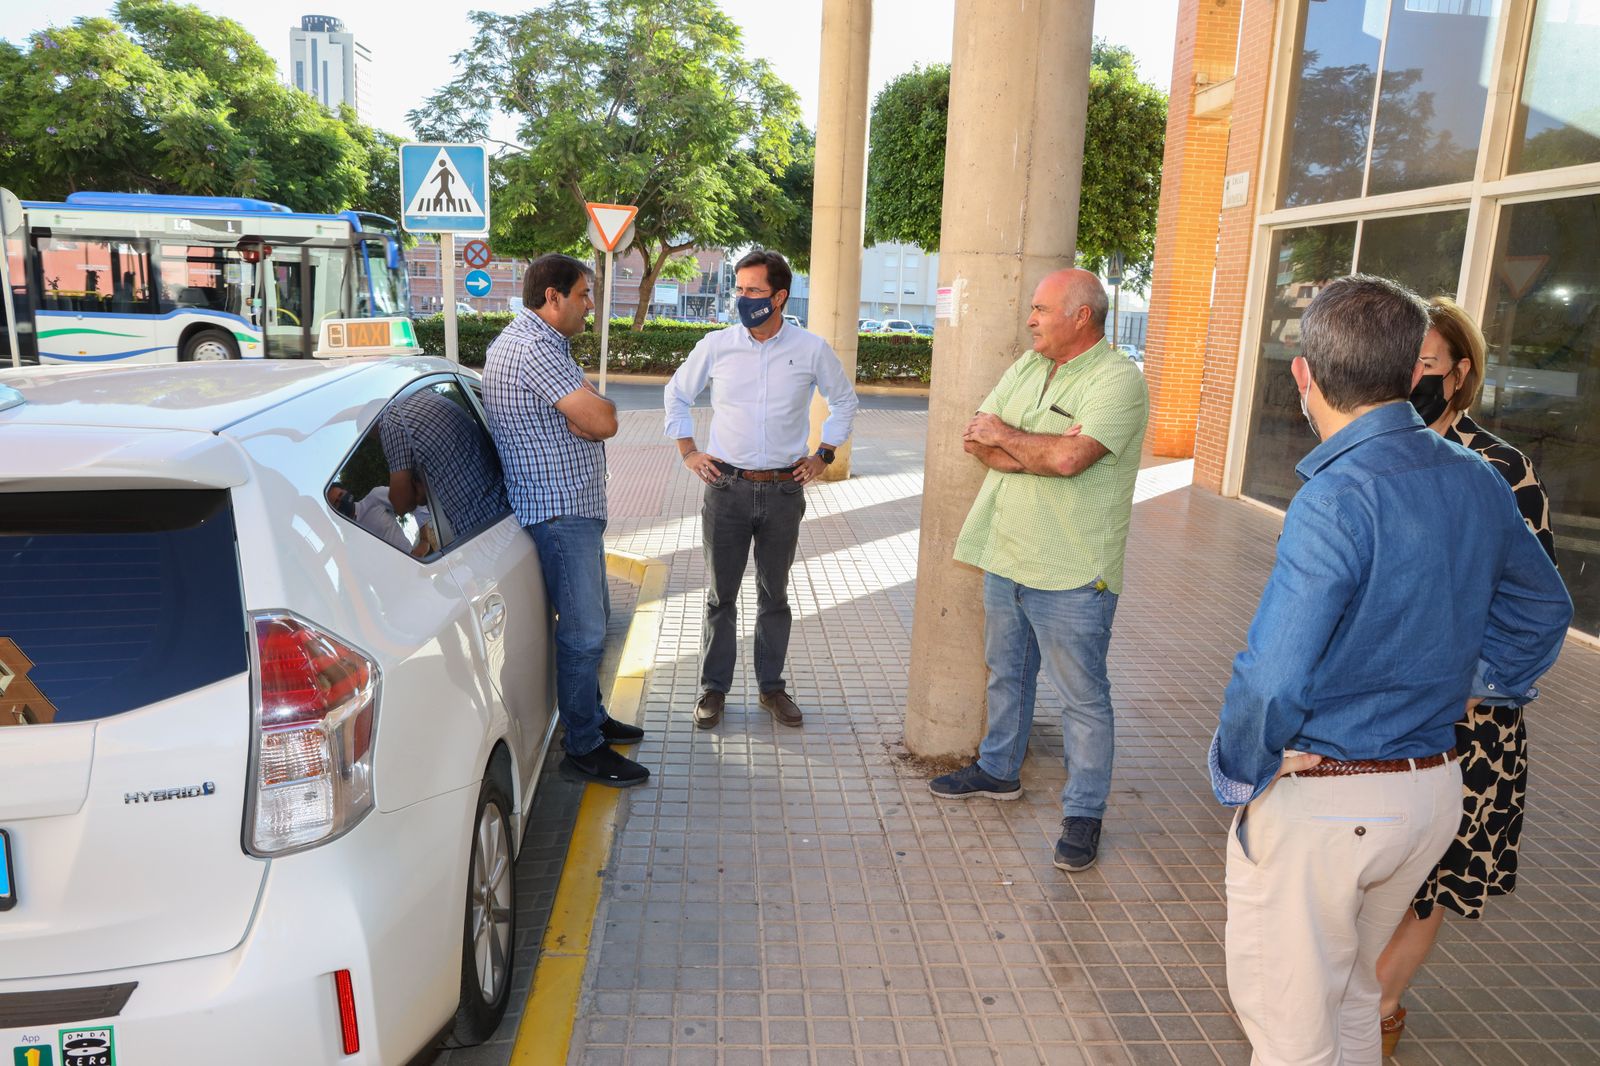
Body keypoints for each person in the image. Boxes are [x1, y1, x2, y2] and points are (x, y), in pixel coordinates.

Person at [1210, 275, 1570, 1065]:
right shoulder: (1475, 473)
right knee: (1353, 1001)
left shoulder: (1337, 494)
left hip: (1330, 801)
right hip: (1432, 790)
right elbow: (1545, 610)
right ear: (1414, 372)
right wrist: (1481, 686)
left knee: (1291, 1034)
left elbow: (1271, 676)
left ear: (1304, 375)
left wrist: (1239, 776)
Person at [1375, 296, 1560, 1055]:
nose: (1412, 375)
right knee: (1377, 875)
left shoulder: (1499, 469)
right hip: (1384, 712)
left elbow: (1536, 597)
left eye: (1426, 362)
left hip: (1467, 724)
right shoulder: (1372, 457)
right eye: (1402, 361)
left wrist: (1478, 687)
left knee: (1429, 885)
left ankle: (1376, 1014)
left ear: (1459, 374)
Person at [927, 268, 1149, 874]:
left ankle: (1084, 813)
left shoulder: (1117, 379)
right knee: (1007, 673)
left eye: (1041, 309)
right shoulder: (1029, 367)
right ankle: (999, 772)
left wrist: (1016, 442)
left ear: (1082, 315)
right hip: (1008, 551)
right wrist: (1034, 449)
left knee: (1083, 699)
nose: (1030, 319)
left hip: (1076, 567)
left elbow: (1074, 457)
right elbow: (978, 437)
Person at [662, 249, 858, 730]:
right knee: (719, 597)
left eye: (753, 291)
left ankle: (772, 688)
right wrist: (689, 451)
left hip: (783, 492)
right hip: (725, 488)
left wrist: (822, 455)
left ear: (780, 296)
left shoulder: (811, 349)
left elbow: (845, 401)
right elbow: (677, 392)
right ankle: (713, 690)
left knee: (775, 596)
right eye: (740, 289)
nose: (743, 298)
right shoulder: (717, 345)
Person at [481, 253, 648, 788]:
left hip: (569, 506)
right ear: (551, 296)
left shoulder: (536, 343)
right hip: (559, 510)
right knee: (583, 634)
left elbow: (594, 419)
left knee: (591, 622)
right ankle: (583, 745)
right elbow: (602, 418)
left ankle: (591, 717)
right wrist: (593, 418)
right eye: (583, 295)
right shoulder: (536, 348)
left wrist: (590, 418)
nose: (590, 306)